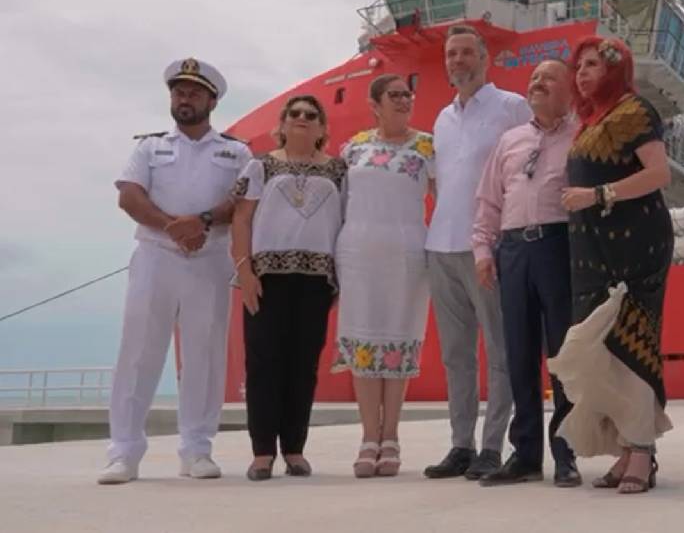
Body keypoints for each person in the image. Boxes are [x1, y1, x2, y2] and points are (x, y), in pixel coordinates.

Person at [100, 58, 251, 485]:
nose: (185, 98)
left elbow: (242, 201)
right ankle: (123, 453)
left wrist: (201, 222)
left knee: (205, 354)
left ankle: (197, 449)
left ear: (212, 101)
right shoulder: (149, 147)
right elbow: (129, 196)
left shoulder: (236, 152)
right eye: (179, 91)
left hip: (210, 258)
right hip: (156, 257)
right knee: (138, 352)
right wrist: (173, 226)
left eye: (194, 93)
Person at [548, 36, 674, 495]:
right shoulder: (591, 120)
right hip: (592, 251)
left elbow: (660, 174)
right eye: (578, 66)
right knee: (600, 351)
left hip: (633, 246)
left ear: (615, 68)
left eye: (593, 65)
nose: (582, 73)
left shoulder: (633, 111)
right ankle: (626, 447)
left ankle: (641, 450)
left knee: (629, 345)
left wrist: (598, 195)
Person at [424, 24, 531, 480]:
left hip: (488, 245)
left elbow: (526, 169)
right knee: (456, 354)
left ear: (485, 59)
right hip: (441, 245)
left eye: (467, 52)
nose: (458, 61)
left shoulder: (512, 107)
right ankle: (461, 444)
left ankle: (492, 446)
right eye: (452, 54)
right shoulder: (442, 119)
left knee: (500, 349)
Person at [473, 59, 582, 488]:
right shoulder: (510, 140)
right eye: (534, 78)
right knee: (519, 352)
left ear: (569, 90)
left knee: (563, 353)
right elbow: (488, 200)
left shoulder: (581, 135)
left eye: (548, 78)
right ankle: (525, 454)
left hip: (559, 246)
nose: (537, 83)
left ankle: (566, 453)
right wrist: (483, 250)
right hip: (514, 249)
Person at [231, 95, 347, 481]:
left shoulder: (338, 170)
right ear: (281, 124)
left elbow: (345, 222)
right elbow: (242, 220)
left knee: (304, 364)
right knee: (263, 362)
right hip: (266, 277)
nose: (302, 118)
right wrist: (245, 271)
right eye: (294, 113)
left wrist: (341, 279)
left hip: (316, 279)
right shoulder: (260, 165)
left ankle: (295, 449)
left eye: (311, 115)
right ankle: (262, 452)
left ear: (322, 127)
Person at [331, 74, 435, 478]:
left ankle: (390, 436)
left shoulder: (427, 147)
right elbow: (340, 204)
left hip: (406, 256)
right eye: (394, 95)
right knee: (363, 344)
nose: (404, 100)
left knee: (398, 340)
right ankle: (368, 437)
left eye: (407, 94)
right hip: (358, 255)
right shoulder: (353, 148)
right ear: (374, 104)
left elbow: (445, 200)